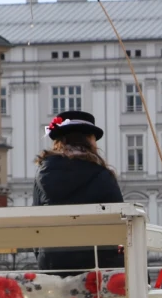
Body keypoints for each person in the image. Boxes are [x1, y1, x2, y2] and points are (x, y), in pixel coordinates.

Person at [33, 110, 123, 272]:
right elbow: (119, 223)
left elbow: (35, 222)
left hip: (52, 262)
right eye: (94, 138)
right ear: (88, 140)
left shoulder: (41, 174)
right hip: (97, 262)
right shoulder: (103, 175)